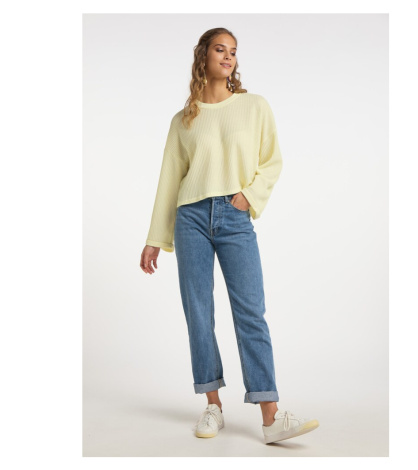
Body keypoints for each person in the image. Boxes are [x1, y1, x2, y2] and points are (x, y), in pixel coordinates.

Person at [140, 27, 319, 444]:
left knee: (250, 312)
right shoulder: (184, 119)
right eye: (220, 49)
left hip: (235, 217)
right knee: (198, 312)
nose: (228, 57)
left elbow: (271, 161)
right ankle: (212, 407)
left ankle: (271, 417)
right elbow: (169, 180)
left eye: (233, 51)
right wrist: (154, 238)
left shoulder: (254, 106)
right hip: (190, 217)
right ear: (203, 56)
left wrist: (248, 197)